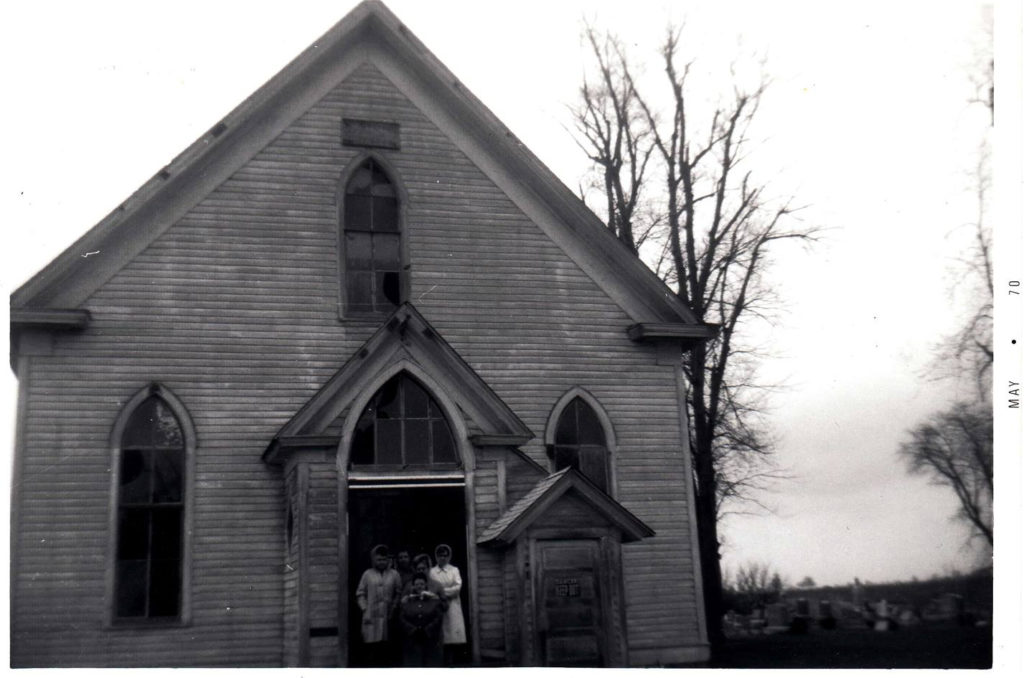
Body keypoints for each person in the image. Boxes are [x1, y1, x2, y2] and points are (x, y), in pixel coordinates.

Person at [355, 544, 402, 666]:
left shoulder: (394, 574)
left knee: (386, 648)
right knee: (371, 649)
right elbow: (360, 594)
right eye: (379, 559)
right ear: (373, 560)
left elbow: (398, 593)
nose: (382, 562)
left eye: (384, 559)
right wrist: (365, 609)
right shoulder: (367, 574)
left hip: (388, 615)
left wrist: (393, 607)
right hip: (371, 615)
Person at [429, 544, 466, 665]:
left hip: (453, 605)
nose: (442, 558)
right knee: (441, 634)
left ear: (449, 556)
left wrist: (442, 592)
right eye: (440, 556)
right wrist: (440, 593)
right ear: (436, 556)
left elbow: (457, 587)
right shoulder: (432, 572)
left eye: (445, 555)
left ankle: (452, 662)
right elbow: (431, 588)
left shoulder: (454, 570)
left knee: (452, 635)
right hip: (438, 605)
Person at [398, 572, 445, 667]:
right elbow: (402, 617)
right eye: (417, 584)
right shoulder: (407, 600)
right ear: (413, 585)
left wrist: (427, 630)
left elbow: (438, 617)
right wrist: (413, 630)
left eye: (422, 584)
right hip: (412, 639)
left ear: (426, 585)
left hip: (430, 638)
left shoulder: (433, 599)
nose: (419, 586)